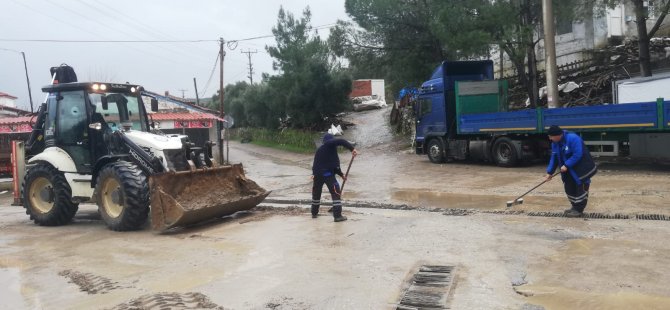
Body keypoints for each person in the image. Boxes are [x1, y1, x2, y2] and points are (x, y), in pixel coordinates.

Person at [545, 125, 597, 217]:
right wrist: (549, 172)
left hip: (581, 169)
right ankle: (574, 207)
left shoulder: (573, 138)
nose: (550, 138)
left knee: (580, 188)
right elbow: (554, 158)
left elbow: (578, 154)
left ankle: (579, 209)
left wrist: (567, 164)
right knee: (569, 188)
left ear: (558, 135)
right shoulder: (554, 143)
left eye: (551, 136)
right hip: (568, 170)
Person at [311, 133, 358, 222]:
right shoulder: (330, 144)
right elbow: (341, 141)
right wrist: (352, 149)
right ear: (331, 140)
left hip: (317, 174)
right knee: (336, 191)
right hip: (327, 174)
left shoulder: (320, 150)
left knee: (316, 193)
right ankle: (337, 216)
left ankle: (314, 213)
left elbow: (334, 165)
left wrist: (341, 174)